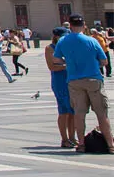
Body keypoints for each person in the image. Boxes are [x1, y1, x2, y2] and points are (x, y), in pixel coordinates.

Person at [54, 14, 112, 153]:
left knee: (79, 114)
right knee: (102, 113)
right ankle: (111, 145)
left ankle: (81, 144)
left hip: (74, 80)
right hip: (93, 79)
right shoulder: (91, 40)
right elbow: (104, 61)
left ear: (70, 25)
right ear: (84, 25)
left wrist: (68, 63)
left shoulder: (63, 41)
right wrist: (92, 64)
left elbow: (56, 60)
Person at [46, 26, 79, 148]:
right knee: (63, 111)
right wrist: (67, 65)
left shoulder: (68, 47)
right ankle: (64, 139)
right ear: (56, 36)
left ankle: (72, 137)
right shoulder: (50, 48)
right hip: (60, 81)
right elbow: (52, 66)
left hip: (71, 80)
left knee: (73, 111)